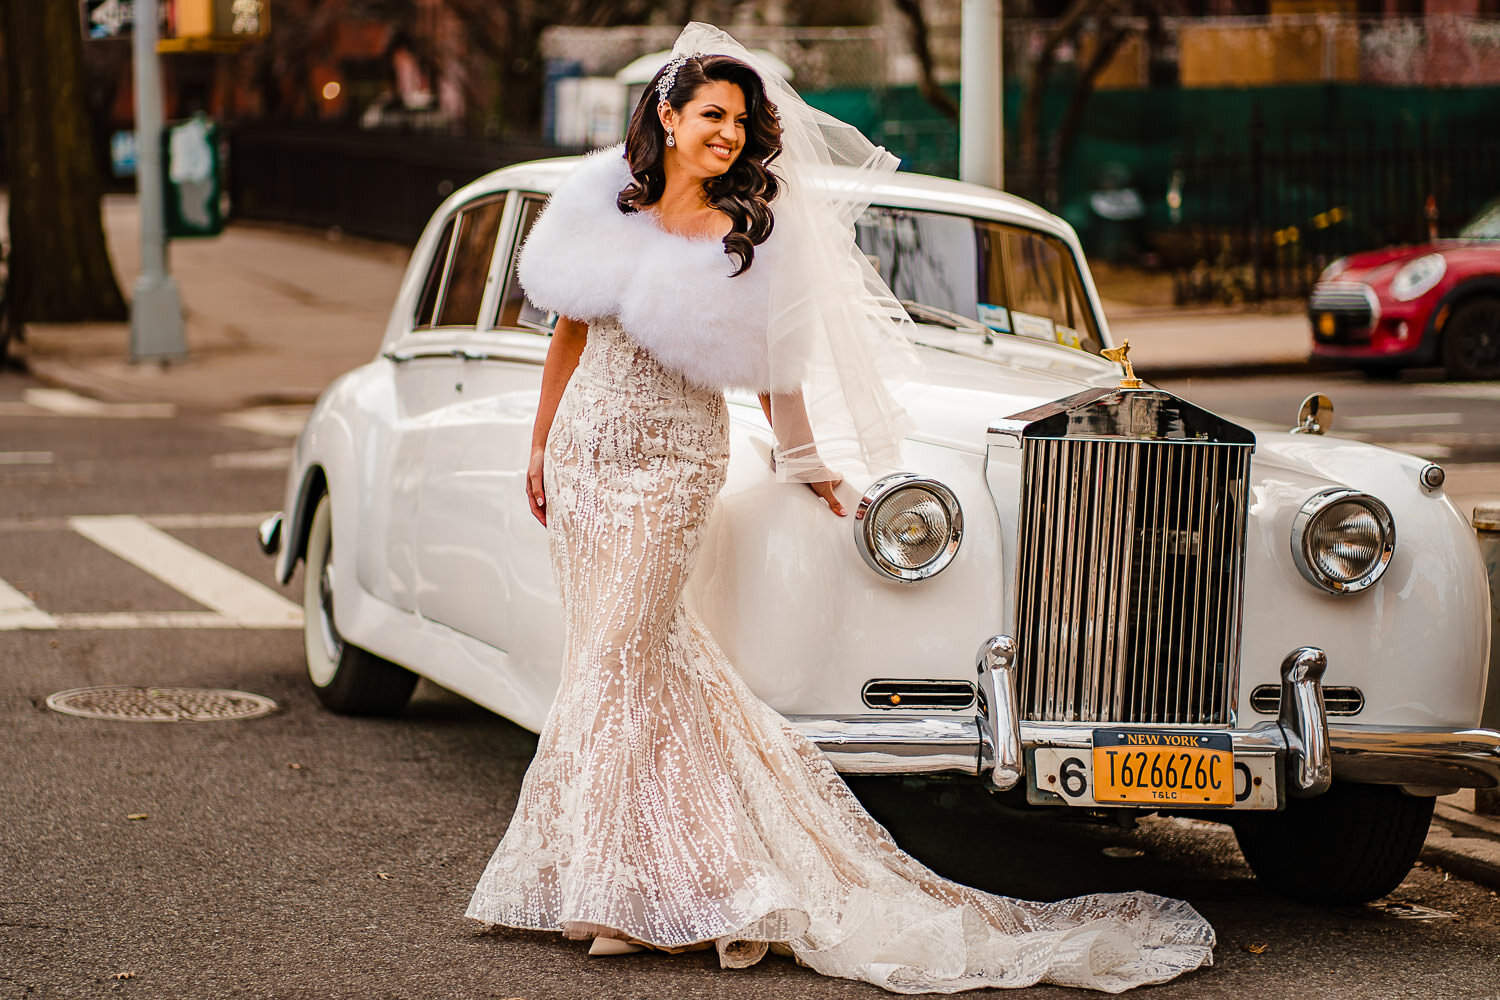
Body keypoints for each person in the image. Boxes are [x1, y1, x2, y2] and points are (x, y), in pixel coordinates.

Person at [466, 23, 1215, 993]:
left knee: (623, 652)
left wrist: (814, 464)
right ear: (668, 114)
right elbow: (566, 331)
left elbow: (780, 373)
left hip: (673, 464)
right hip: (585, 459)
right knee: (620, 661)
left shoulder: (753, 234)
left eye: (740, 120)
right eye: (712, 116)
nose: (728, 135)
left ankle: (624, 892)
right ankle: (635, 876)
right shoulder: (601, 205)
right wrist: (540, 441)